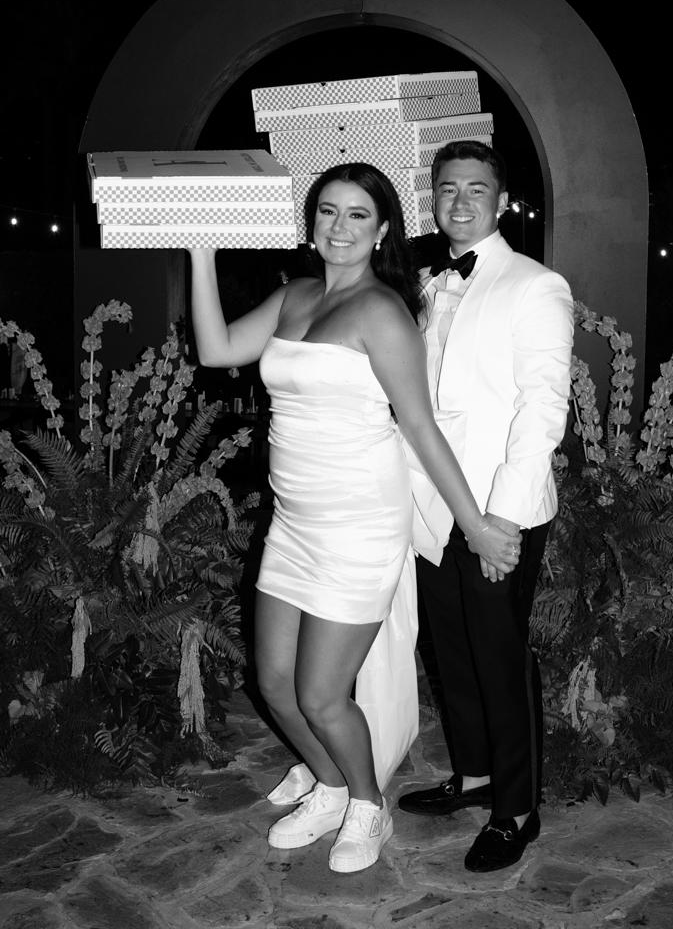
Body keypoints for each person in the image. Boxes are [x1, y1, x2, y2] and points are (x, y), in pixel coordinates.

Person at [189, 162, 504, 875]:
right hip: (294, 522)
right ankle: (329, 785)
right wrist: (201, 251)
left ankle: (367, 806)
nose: (338, 226)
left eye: (357, 214)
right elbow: (215, 350)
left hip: (358, 525)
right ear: (310, 223)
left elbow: (420, 428)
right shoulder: (293, 296)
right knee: (273, 681)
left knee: (322, 694)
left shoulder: (382, 312)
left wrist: (476, 523)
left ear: (383, 229)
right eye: (327, 211)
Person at [397, 140, 574, 874]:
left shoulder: (535, 285)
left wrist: (500, 518)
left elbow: (543, 407)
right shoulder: (425, 283)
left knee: (499, 657)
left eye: (476, 190)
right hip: (432, 504)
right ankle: (473, 777)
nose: (460, 202)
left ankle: (518, 807)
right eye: (447, 189)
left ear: (500, 203)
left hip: (497, 508)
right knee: (451, 648)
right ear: (432, 199)